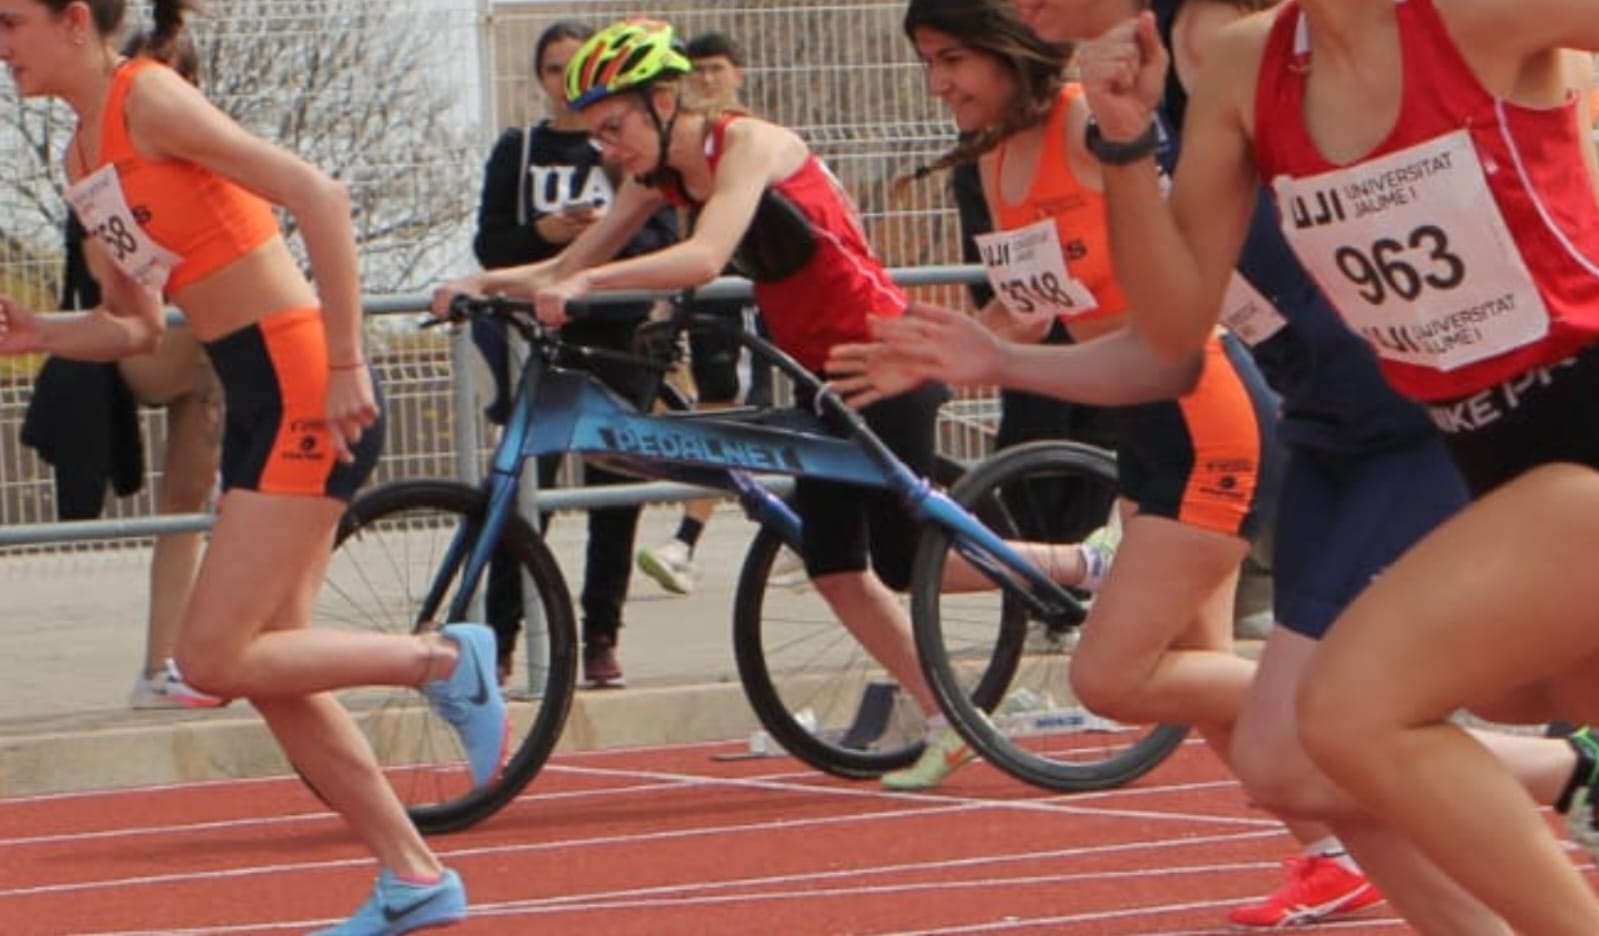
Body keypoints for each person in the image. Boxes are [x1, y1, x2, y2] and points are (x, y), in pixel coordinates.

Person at [1046, 0, 1599, 932]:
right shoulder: (1242, 69)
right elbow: (1176, 330)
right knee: (1495, 697)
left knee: (1347, 714)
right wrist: (1126, 143)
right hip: (1481, 457)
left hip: (1578, 427)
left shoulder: (1477, 15)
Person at [432, 17, 1093, 792]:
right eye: (594, 133)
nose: (605, 149)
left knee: (907, 561)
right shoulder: (658, 179)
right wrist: (485, 283)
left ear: (666, 99)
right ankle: (950, 719)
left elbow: (702, 258)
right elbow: (574, 257)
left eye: (614, 127)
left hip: (884, 358)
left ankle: (1086, 564)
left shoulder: (748, 145)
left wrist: (579, 287)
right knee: (836, 566)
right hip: (815, 373)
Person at [0, 1, 508, 931]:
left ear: (77, 20)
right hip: (256, 389)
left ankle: (439, 660)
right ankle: (415, 879)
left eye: (10, 21)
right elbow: (137, 327)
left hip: (305, 373)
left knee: (210, 657)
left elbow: (319, 194)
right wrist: (41, 334)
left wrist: (351, 358)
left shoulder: (146, 98)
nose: (1, 46)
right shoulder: (82, 160)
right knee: (274, 666)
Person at [844, 1, 1299, 813]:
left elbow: (1207, 246)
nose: (939, 83)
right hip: (1139, 417)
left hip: (1205, 407)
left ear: (1008, 48)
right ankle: (1332, 844)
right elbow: (1026, 314)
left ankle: (1373, 708)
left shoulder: (1093, 124)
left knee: (1120, 675)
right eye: (926, 62)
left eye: (953, 58)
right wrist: (925, 366)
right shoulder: (988, 160)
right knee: (1197, 667)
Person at [22, 25, 224, 711]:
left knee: (186, 505)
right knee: (223, 348)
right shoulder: (96, 154)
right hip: (144, 345)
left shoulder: (200, 152)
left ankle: (164, 665)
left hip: (204, 353)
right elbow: (113, 280)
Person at [471, 19, 678, 688]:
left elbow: (661, 238)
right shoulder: (520, 149)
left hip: (616, 335)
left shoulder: (628, 151)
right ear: (540, 78)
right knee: (522, 483)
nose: (566, 82)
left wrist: (594, 260)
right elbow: (491, 246)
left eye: (577, 67)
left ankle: (600, 636)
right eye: (555, 69)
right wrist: (547, 237)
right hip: (538, 337)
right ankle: (501, 638)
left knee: (615, 490)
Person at [633, 29, 778, 596]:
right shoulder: (682, 152)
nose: (707, 80)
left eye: (717, 68)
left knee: (727, 409)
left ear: (738, 73)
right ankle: (788, 519)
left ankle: (688, 541)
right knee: (714, 410)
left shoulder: (744, 139)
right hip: (709, 286)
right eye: (697, 71)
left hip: (748, 286)